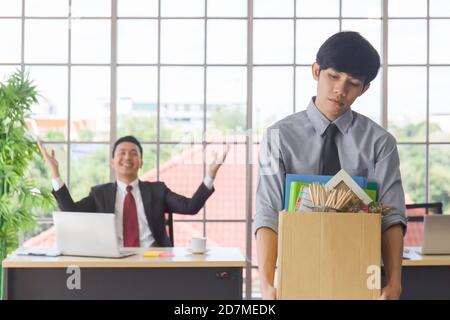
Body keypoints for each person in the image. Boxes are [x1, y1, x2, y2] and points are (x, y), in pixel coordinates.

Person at [254, 31, 406, 300]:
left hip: (361, 275)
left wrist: (394, 282)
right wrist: (266, 283)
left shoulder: (381, 143)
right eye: (333, 76)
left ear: (365, 88)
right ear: (316, 71)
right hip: (295, 274)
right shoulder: (275, 137)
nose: (340, 90)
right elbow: (267, 212)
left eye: (353, 83)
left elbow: (392, 216)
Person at [38, 135, 228, 247]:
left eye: (133, 153)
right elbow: (71, 212)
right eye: (121, 153)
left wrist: (211, 174)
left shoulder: (157, 190)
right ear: (112, 162)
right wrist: (55, 172)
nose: (127, 157)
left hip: (154, 260)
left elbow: (191, 206)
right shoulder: (100, 193)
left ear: (141, 162)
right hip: (114, 261)